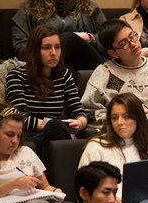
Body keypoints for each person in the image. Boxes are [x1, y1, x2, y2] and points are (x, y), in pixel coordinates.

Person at [81, 19, 148, 138]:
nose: (133, 43)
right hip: (125, 131)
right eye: (123, 43)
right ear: (113, 53)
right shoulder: (104, 72)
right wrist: (124, 118)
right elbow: (89, 110)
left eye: (132, 36)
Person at [79, 92, 148, 203]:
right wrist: (109, 197)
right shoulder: (96, 146)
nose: (119, 123)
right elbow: (83, 185)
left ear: (138, 118)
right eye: (114, 118)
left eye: (126, 117)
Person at [6, 24, 88, 161]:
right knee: (55, 126)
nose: (54, 53)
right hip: (29, 136)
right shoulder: (16, 76)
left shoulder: (64, 75)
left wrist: (80, 122)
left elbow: (78, 109)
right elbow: (20, 118)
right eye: (47, 48)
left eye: (57, 47)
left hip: (57, 134)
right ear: (35, 50)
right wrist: (55, 125)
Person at [12, 0, 106, 70]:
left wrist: (88, 37)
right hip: (48, 64)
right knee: (67, 67)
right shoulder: (29, 10)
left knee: (69, 37)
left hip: (88, 63)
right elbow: (21, 48)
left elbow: (109, 39)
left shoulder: (90, 8)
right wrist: (47, 47)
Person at [0, 104, 65, 203]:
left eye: (19, 135)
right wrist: (14, 184)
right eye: (9, 135)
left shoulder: (25, 152)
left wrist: (55, 192)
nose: (15, 141)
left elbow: (45, 186)